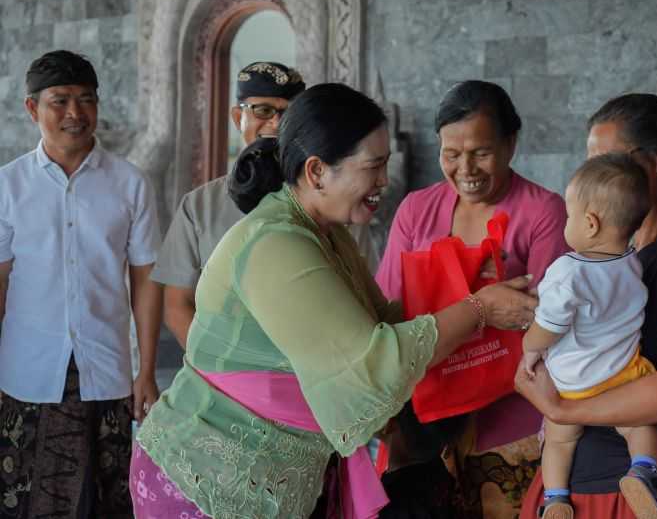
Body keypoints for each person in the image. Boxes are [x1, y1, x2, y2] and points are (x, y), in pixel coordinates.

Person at [129, 83, 538, 518]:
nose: (384, 181)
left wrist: (464, 287)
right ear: (318, 171)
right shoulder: (277, 242)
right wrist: (479, 309)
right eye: (374, 166)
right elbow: (372, 359)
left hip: (278, 473)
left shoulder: (325, 231)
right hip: (207, 472)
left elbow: (382, 318)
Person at [516, 93, 657, 519]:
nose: (598, 176)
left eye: (610, 159)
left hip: (644, 487)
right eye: (589, 163)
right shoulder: (623, 259)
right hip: (577, 480)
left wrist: (563, 409)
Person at [375, 80, 568, 517]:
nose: (466, 168)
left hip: (508, 422)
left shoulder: (542, 212)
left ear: (511, 144)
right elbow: (389, 306)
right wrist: (485, 307)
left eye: (481, 152)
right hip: (421, 420)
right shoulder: (415, 210)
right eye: (451, 154)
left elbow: (552, 321)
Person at [0, 50, 162, 518]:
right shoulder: (9, 187)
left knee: (107, 499)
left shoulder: (130, 184)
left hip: (106, 373)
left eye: (86, 100)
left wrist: (146, 368)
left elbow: (146, 278)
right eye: (60, 100)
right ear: (33, 109)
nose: (75, 113)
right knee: (20, 498)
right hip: (25, 375)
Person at [523, 154, 657, 519]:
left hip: (571, 385)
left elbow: (549, 326)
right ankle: (643, 471)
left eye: (569, 215)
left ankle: (555, 499)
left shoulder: (568, 271)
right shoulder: (632, 265)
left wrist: (530, 347)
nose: (566, 223)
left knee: (558, 441)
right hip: (622, 380)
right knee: (642, 425)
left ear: (589, 223)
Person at [150, 61, 305, 348]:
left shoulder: (323, 200)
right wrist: (217, 371)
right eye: (263, 110)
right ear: (238, 117)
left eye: (289, 114)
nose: (276, 123)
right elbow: (176, 305)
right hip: (221, 378)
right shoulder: (199, 205)